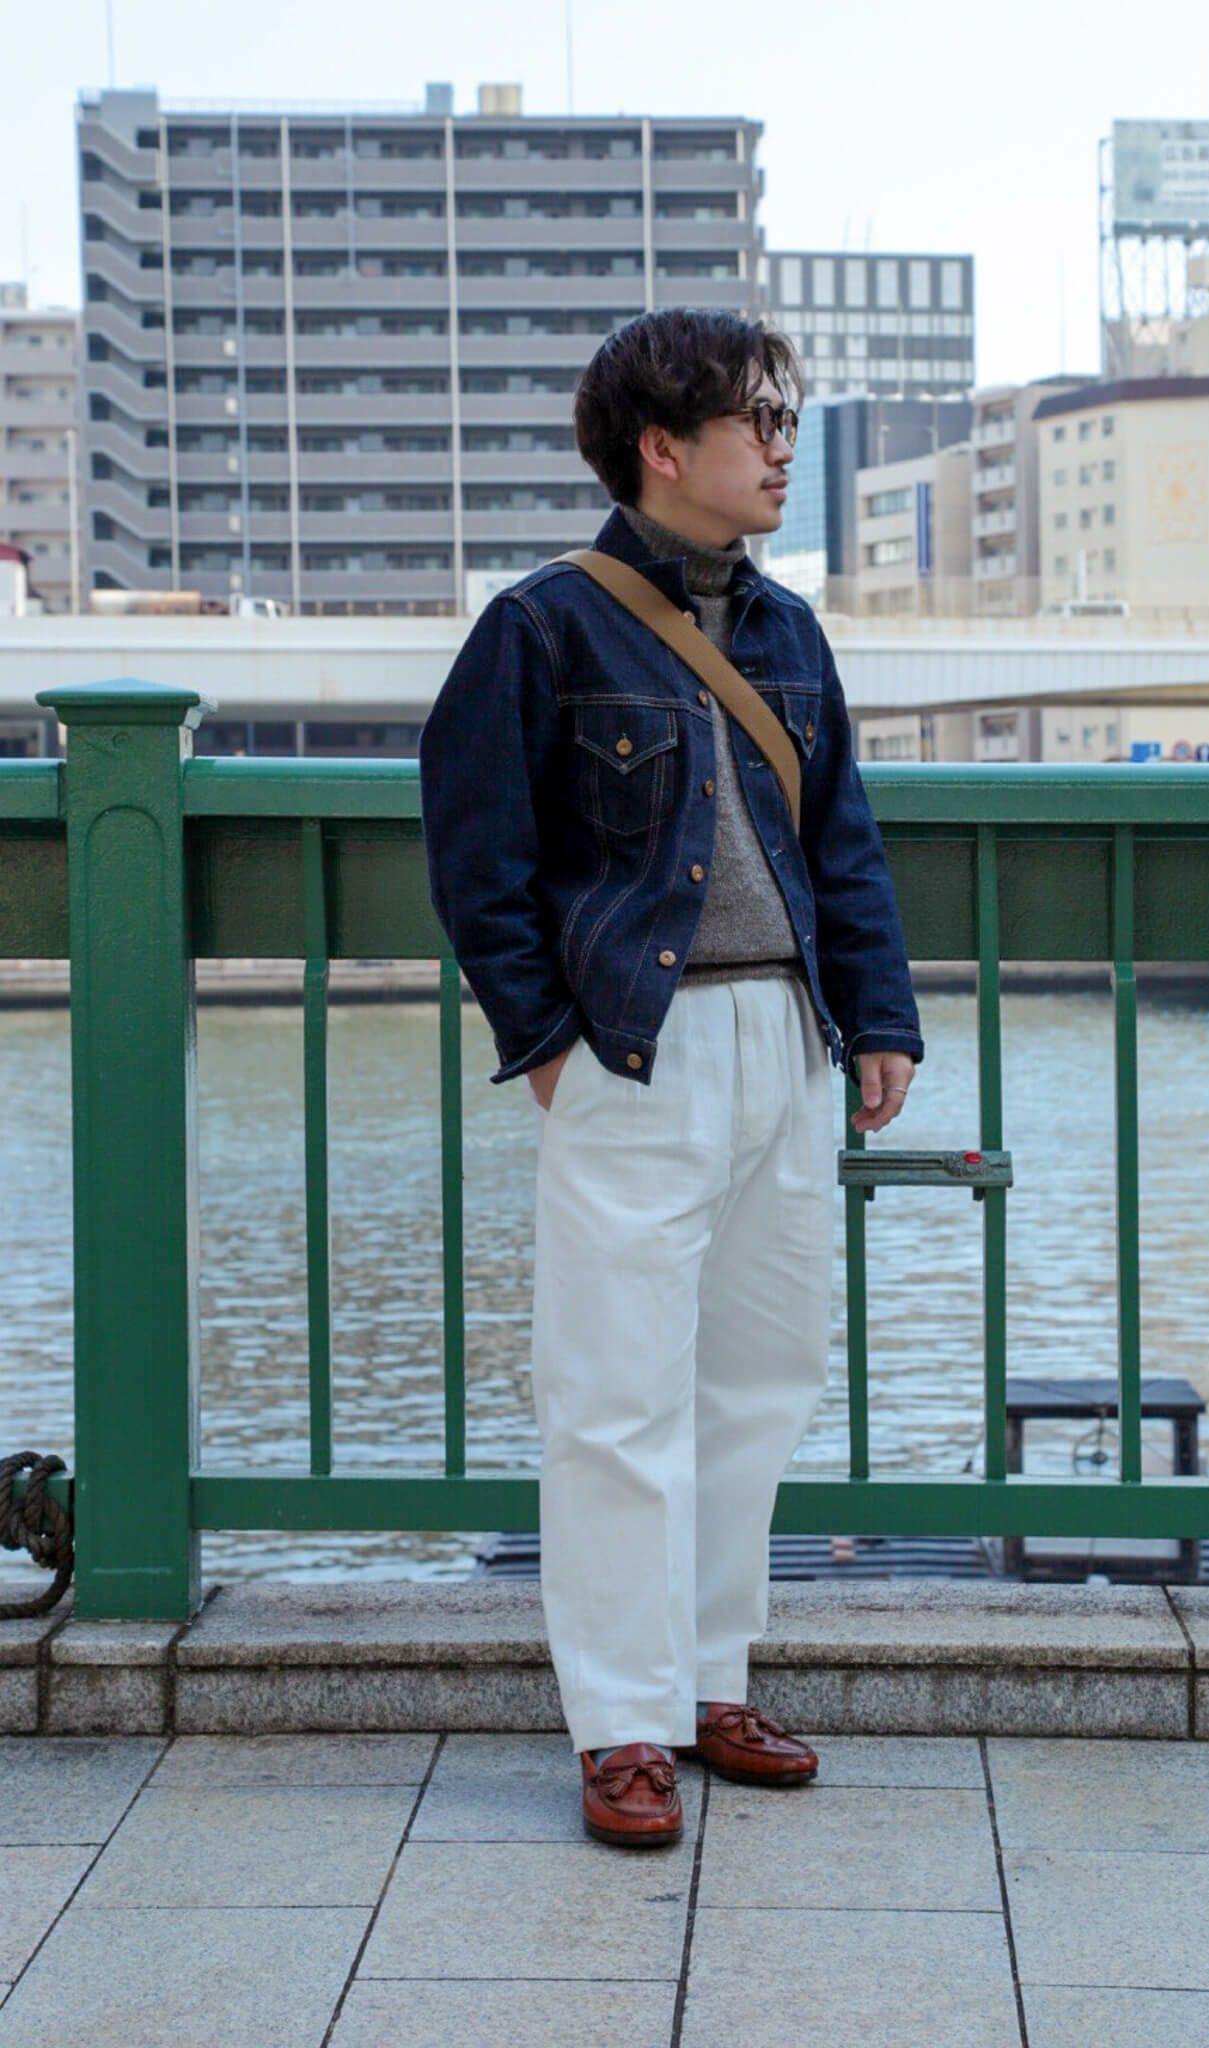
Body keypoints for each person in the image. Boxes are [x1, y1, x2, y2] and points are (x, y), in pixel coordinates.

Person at [419, 307, 923, 1849]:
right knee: (616, 1395)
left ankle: (710, 1681)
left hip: (785, 1040)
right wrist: (547, 1046)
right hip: (635, 1048)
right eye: (755, 421)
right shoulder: (540, 629)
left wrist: (878, 1019)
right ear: (660, 447)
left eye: (784, 419)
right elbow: (477, 860)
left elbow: (841, 842)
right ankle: (622, 1727)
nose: (780, 447)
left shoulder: (787, 632)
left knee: (758, 1382)